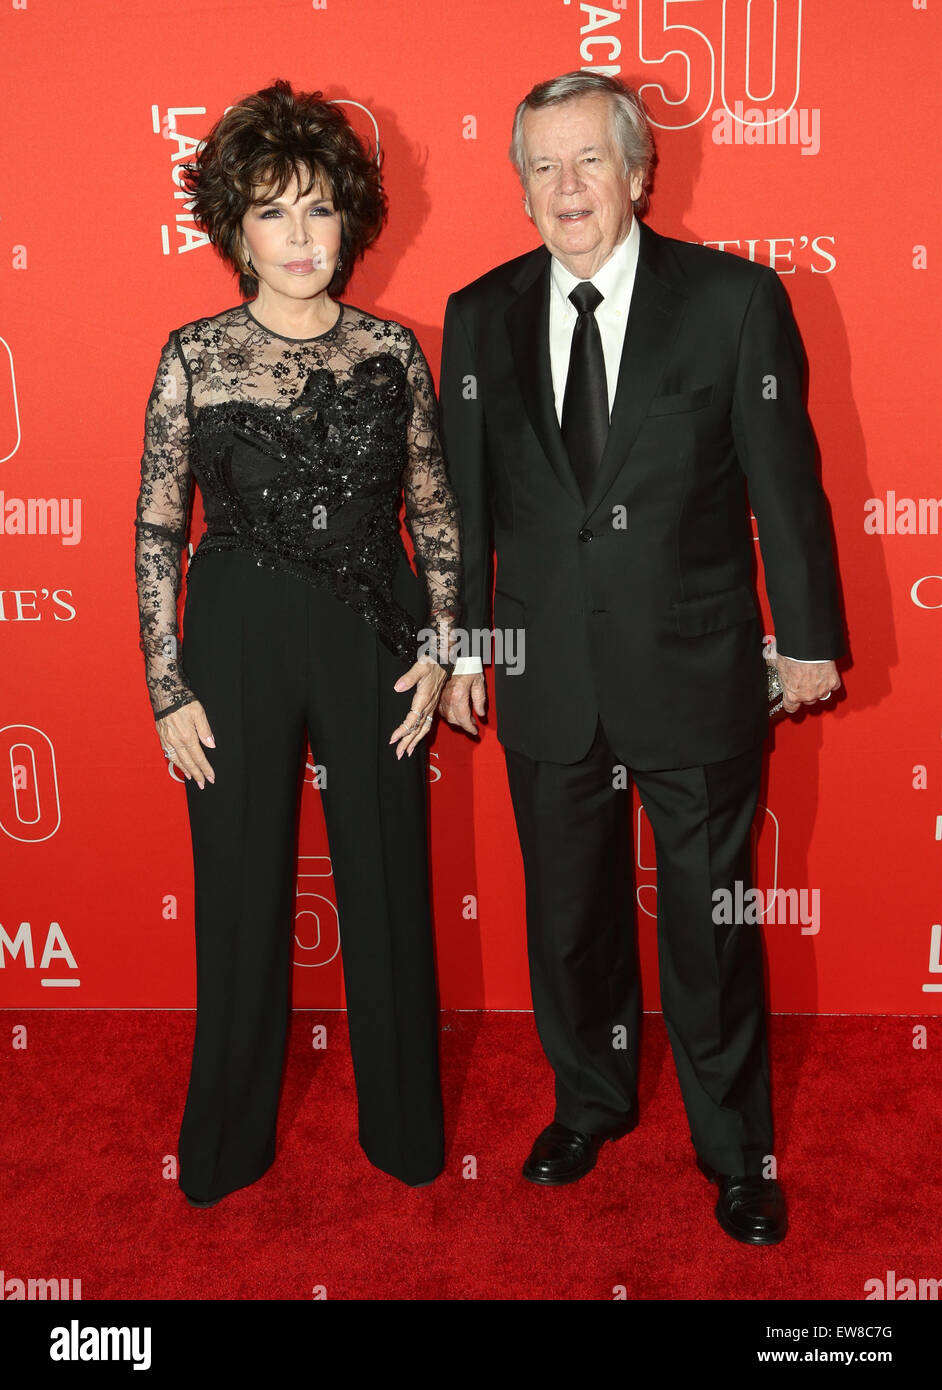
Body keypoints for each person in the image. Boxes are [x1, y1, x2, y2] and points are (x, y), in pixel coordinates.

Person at [438, 71, 845, 1245]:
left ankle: (736, 1151)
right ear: (520, 189)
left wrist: (807, 635)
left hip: (697, 671)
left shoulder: (733, 302)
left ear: (638, 172)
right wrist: (467, 644)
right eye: (542, 167)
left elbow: (786, 483)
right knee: (569, 916)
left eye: (588, 161)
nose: (567, 188)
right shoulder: (480, 314)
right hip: (549, 679)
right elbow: (464, 506)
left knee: (710, 928)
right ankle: (591, 1102)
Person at [133, 80, 460, 1207]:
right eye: (273, 212)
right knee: (236, 891)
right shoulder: (194, 356)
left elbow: (435, 506)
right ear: (234, 227)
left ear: (352, 220)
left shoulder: (395, 353)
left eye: (319, 209)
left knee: (388, 887)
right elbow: (159, 526)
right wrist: (167, 684)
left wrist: (448, 641)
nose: (300, 237)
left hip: (377, 633)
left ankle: (407, 1133)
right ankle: (226, 1144)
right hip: (234, 640)